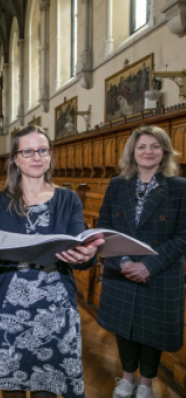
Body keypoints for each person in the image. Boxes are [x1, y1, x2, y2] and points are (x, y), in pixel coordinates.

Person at [0, 125, 104, 398]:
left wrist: (86, 256)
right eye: (29, 151)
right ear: (15, 159)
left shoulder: (68, 200)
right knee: (11, 387)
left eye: (42, 150)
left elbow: (76, 253)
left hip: (55, 309)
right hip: (9, 309)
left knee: (47, 387)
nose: (36, 157)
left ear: (50, 156)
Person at [97, 125, 186, 398]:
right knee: (125, 326)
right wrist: (121, 260)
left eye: (155, 146)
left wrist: (149, 266)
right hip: (121, 268)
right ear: (132, 152)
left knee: (152, 330)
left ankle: (146, 383)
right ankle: (126, 378)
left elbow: (184, 234)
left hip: (160, 270)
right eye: (142, 146)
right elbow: (105, 224)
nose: (148, 152)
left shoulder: (179, 187)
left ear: (164, 151)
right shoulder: (117, 184)